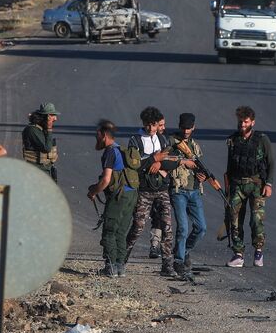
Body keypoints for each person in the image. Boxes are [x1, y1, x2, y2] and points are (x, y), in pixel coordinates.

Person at [166, 113, 220, 280]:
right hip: (178, 190)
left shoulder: (195, 146)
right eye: (184, 127)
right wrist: (183, 162)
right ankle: (179, 260)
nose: (186, 130)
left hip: (194, 191)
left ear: (193, 127)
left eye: (189, 128)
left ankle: (185, 250)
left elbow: (199, 167)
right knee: (183, 228)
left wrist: (203, 176)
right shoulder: (171, 142)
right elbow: (163, 160)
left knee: (201, 228)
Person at [126, 107, 178, 276]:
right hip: (144, 190)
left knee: (167, 228)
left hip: (162, 189)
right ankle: (121, 259)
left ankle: (167, 266)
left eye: (154, 125)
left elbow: (174, 160)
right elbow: (133, 166)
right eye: (148, 124)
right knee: (138, 227)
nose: (151, 128)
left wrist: (160, 164)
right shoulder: (136, 140)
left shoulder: (163, 140)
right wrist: (152, 160)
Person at [225, 106, 274, 268]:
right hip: (237, 184)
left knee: (256, 219)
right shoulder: (233, 140)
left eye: (246, 122)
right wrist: (227, 189)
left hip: (256, 185)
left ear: (252, 122)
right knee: (234, 219)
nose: (242, 125)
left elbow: (271, 163)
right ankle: (238, 253)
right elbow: (229, 166)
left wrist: (269, 184)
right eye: (240, 122)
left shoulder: (262, 140)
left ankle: (258, 250)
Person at [87, 119, 137, 277]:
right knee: (121, 231)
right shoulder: (122, 150)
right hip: (131, 195)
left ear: (103, 135)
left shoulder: (110, 151)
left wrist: (93, 192)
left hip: (119, 196)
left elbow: (106, 180)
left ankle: (110, 267)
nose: (97, 139)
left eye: (97, 135)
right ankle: (120, 267)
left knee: (109, 230)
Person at [21, 103, 60, 181]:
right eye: (53, 116)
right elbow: (46, 148)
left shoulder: (41, 129)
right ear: (46, 117)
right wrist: (49, 128)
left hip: (45, 169)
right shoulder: (32, 130)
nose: (55, 119)